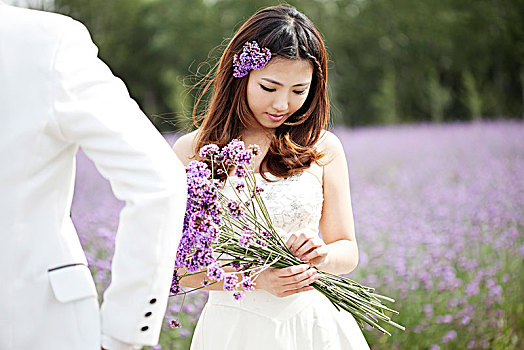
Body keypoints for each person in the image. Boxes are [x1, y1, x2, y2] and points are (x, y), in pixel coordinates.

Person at [173, 5, 369, 350]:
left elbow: (347, 251)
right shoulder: (193, 151)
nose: (282, 104)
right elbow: (180, 269)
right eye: (269, 86)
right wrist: (254, 279)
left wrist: (321, 255)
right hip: (233, 330)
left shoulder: (323, 148)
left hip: (313, 327)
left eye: (298, 91)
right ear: (240, 76)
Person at [0, 3, 187, 350]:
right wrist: (123, 333)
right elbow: (159, 183)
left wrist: (123, 334)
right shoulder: (43, 41)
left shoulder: (47, 43)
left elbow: (159, 184)